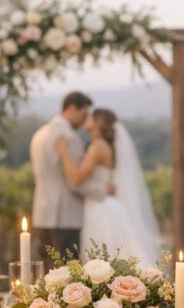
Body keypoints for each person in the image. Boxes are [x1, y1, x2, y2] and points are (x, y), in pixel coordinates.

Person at [54, 108, 161, 266]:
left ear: (98, 123)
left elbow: (76, 178)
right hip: (105, 205)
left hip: (100, 209)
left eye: (91, 117)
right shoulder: (105, 146)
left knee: (102, 255)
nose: (87, 118)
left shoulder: (97, 147)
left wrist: (63, 152)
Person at [30, 92, 110, 266]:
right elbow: (75, 183)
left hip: (41, 213)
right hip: (66, 215)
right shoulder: (70, 138)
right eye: (83, 114)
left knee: (46, 273)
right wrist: (103, 190)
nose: (84, 120)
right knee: (66, 275)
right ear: (72, 109)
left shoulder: (39, 134)